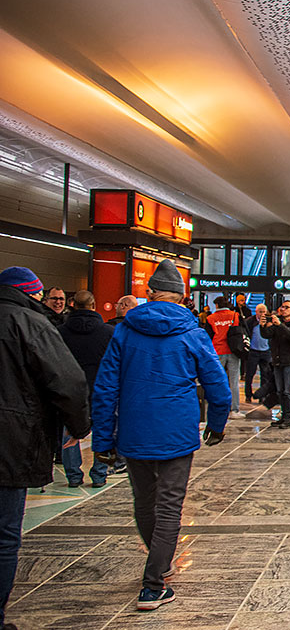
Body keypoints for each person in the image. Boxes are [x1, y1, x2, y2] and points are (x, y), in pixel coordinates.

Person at [91, 259, 230, 612]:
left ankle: (159, 562)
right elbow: (218, 385)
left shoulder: (124, 330)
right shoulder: (194, 333)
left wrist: (103, 441)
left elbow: (105, 388)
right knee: (170, 505)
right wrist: (216, 423)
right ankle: (153, 583)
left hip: (134, 429)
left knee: (144, 500)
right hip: (177, 431)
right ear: (182, 299)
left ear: (149, 295)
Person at [0, 267, 90, 630]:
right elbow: (67, 381)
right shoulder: (29, 322)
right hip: (11, 438)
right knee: (4, 534)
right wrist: (77, 427)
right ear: (33, 294)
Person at [57, 290, 115, 488]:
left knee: (69, 430)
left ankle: (73, 476)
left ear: (73, 305)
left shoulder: (61, 332)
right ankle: (99, 474)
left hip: (70, 389)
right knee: (102, 429)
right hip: (101, 388)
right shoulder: (108, 332)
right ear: (94, 305)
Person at [262, 299, 290, 429]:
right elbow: (267, 335)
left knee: (288, 391)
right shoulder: (277, 323)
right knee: (280, 391)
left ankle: (288, 417)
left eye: (286, 307)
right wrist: (262, 325)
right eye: (282, 307)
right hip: (277, 360)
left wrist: (279, 325)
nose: (283, 309)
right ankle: (283, 415)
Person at [204, 296, 243, 418]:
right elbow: (243, 331)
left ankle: (215, 407)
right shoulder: (235, 315)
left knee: (216, 380)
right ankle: (234, 410)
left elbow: (207, 337)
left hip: (217, 351)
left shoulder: (211, 318)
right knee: (234, 381)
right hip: (233, 351)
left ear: (216, 305)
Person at [243, 303, 272, 405]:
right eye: (260, 312)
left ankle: (262, 396)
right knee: (250, 374)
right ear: (256, 312)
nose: (262, 314)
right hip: (253, 351)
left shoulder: (269, 321)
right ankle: (248, 395)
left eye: (264, 312)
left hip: (266, 351)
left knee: (265, 374)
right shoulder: (250, 322)